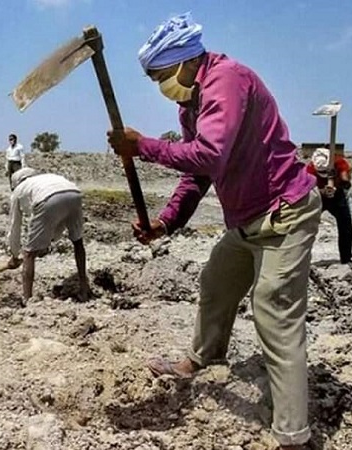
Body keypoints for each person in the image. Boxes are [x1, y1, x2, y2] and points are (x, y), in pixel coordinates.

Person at [106, 13, 319, 450]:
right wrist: (166, 222)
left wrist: (142, 146)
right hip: (245, 220)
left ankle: (293, 436)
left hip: (285, 213)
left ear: (185, 61)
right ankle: (203, 358)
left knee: (274, 311)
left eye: (162, 76)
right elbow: (196, 178)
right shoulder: (193, 105)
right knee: (216, 284)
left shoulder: (226, 80)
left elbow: (208, 155)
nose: (162, 87)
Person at [6, 168, 90, 302]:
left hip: (48, 198)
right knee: (77, 241)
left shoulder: (19, 190)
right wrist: (47, 242)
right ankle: (84, 291)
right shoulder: (46, 178)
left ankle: (27, 299)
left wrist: (15, 255)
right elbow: (56, 219)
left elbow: (14, 225)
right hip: (75, 194)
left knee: (28, 254)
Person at [306, 148, 352, 264]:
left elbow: (346, 181)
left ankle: (346, 259)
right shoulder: (309, 169)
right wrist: (323, 191)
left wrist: (339, 184)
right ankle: (303, 259)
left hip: (337, 198)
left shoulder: (338, 162)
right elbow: (309, 188)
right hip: (319, 197)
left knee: (346, 227)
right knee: (306, 226)